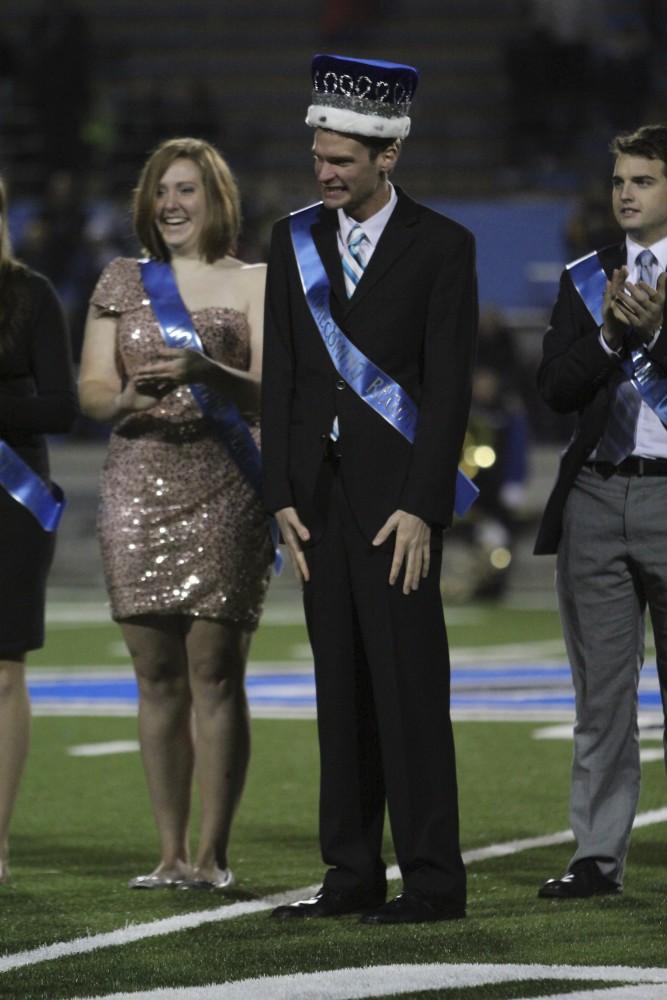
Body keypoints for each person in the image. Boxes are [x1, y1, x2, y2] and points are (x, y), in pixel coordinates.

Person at [261, 54, 478, 924]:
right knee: (337, 689)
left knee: (409, 690)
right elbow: (281, 375)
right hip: (315, 503)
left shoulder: (444, 246)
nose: (324, 172)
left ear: (388, 155)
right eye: (318, 156)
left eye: (341, 161)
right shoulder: (291, 240)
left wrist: (425, 504)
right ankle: (350, 872)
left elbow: (449, 387)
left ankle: (432, 880)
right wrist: (279, 490)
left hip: (397, 508)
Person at [78, 138, 272, 891]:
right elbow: (93, 388)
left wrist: (206, 369)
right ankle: (167, 854)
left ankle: (212, 854)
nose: (171, 205)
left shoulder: (253, 279)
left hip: (227, 480)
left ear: (215, 198)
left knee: (215, 670)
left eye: (186, 190)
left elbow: (271, 388)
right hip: (136, 482)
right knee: (154, 675)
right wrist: (123, 399)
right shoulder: (121, 279)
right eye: (162, 191)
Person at [535, 124, 667, 898]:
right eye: (620, 179)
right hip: (594, 494)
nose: (625, 192)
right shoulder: (586, 279)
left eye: (643, 180)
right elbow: (553, 389)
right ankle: (594, 855)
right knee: (601, 696)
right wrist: (615, 333)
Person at [0, 176, 77, 883]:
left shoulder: (31, 295)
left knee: (2, 671)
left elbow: (63, 406)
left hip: (10, 502)